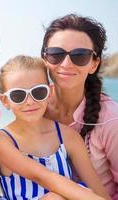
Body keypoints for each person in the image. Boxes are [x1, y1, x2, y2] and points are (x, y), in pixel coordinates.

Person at [0, 55, 110, 199]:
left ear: (49, 92)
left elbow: (96, 189)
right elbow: (44, 177)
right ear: (5, 101)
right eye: (18, 95)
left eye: (38, 92)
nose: (29, 102)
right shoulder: (1, 140)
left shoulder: (67, 136)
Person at [41, 14, 118, 199]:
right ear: (45, 58)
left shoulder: (111, 119)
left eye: (80, 55)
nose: (66, 64)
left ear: (94, 64)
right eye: (56, 54)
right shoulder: (33, 105)